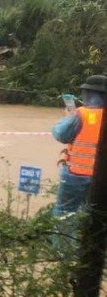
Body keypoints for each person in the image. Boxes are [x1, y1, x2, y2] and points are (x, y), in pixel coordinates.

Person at [52, 74, 106, 229]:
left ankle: (64, 252)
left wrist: (69, 116)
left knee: (65, 214)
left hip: (76, 176)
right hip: (102, 179)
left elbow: (60, 134)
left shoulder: (82, 115)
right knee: (96, 215)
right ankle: (92, 249)